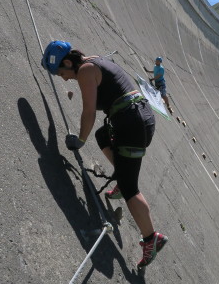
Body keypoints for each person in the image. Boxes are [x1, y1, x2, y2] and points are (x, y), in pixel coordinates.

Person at [41, 40, 168, 269]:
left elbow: (88, 112)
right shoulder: (94, 61)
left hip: (132, 123)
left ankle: (152, 238)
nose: (63, 78)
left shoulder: (86, 71)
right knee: (102, 136)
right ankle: (122, 176)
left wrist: (79, 141)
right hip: (136, 118)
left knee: (131, 189)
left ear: (68, 62)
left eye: (61, 72)